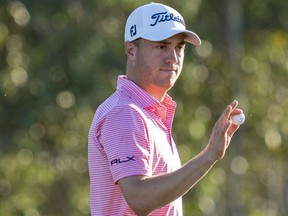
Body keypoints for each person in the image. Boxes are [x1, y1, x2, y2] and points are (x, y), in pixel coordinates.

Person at [88, 2, 244, 216]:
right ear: (131, 51)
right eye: (161, 46)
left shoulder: (147, 113)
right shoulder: (125, 113)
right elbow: (139, 198)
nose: (173, 58)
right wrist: (208, 156)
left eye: (179, 47)